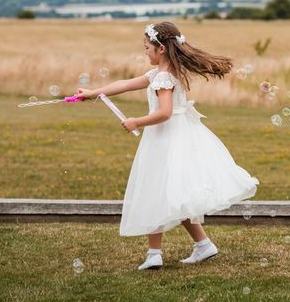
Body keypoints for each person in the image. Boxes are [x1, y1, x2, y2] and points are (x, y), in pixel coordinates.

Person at [77, 21, 259, 270]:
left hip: (167, 137)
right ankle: (203, 245)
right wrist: (93, 92)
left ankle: (154, 254)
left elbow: (164, 112)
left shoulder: (163, 77)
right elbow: (124, 84)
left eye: (147, 47)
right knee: (174, 192)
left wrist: (135, 121)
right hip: (174, 135)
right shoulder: (162, 73)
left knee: (157, 188)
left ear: (160, 48)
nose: (145, 51)